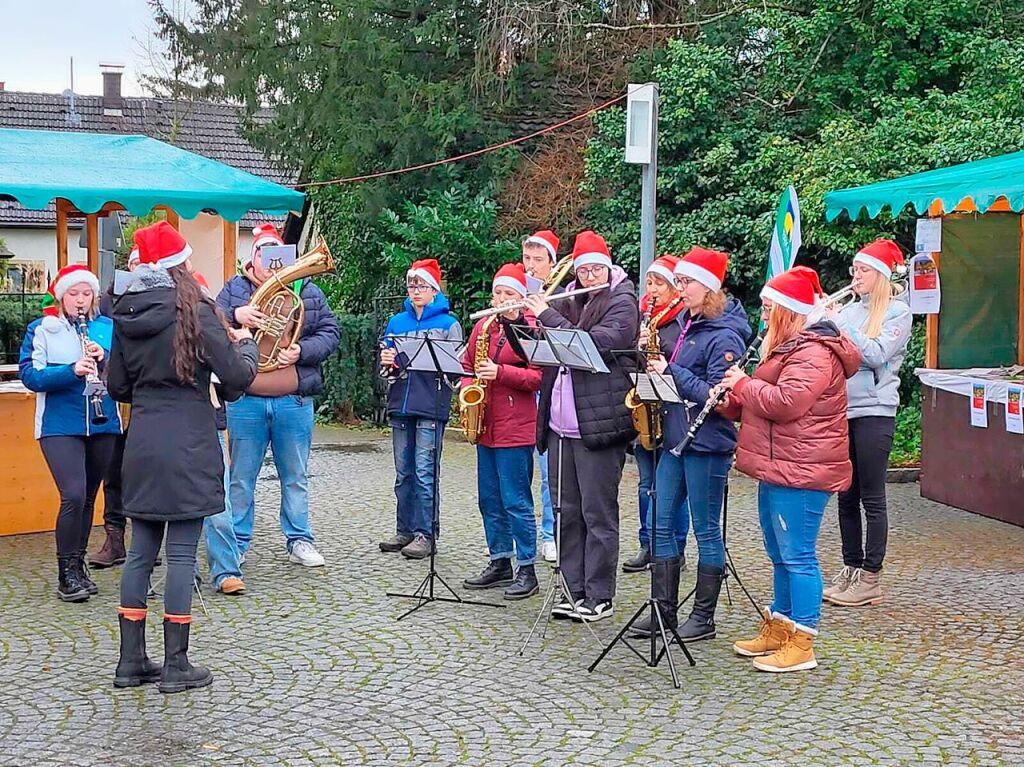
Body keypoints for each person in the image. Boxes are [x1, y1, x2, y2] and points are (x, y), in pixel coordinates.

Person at [108, 221, 257, 693]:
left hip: (143, 442)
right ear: (180, 264)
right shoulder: (197, 310)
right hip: (189, 441)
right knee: (180, 555)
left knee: (139, 556)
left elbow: (116, 386)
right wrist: (248, 348)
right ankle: (176, 665)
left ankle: (131, 662)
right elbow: (234, 378)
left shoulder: (126, 314)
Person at [719, 266, 860, 672]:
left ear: (788, 311)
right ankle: (780, 625)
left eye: (768, 309)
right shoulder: (791, 347)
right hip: (780, 465)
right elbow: (763, 403)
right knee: (779, 552)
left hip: (803, 469)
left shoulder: (815, 351)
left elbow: (787, 402)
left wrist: (744, 386)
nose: (762, 317)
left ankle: (803, 640)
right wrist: (732, 399)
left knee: (798, 555)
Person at [633, 248, 751, 642]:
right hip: (673, 439)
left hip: (707, 444)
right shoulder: (685, 325)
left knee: (706, 531)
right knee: (660, 523)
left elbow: (719, 398)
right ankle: (663, 612)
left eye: (686, 282)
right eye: (678, 282)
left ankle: (703, 618)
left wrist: (672, 371)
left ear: (710, 287)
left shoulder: (725, 335)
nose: (679, 289)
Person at [525, 230, 640, 622]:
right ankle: (573, 590)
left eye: (596, 270)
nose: (589, 277)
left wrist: (546, 314)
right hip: (561, 424)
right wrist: (521, 320)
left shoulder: (623, 301)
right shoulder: (572, 297)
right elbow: (544, 346)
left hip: (599, 424)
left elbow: (595, 344)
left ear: (608, 268)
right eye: (583, 270)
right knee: (566, 510)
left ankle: (599, 594)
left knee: (597, 512)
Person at [216, 223, 340, 568]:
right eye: (263, 253)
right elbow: (208, 325)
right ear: (252, 259)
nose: (270, 261)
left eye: (278, 253)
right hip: (246, 399)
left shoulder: (307, 291)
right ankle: (237, 542)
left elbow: (330, 333)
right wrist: (234, 315)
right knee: (241, 476)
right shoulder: (233, 291)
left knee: (296, 474)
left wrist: (301, 350)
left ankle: (299, 539)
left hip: (293, 399)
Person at [18, 265, 122, 602]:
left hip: (103, 421)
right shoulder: (42, 329)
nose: (80, 300)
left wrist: (103, 359)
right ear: (61, 296)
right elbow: (31, 376)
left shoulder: (107, 327)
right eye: (73, 293)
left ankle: (78, 567)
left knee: (90, 497)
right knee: (73, 495)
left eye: (86, 293)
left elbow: (124, 373)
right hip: (59, 424)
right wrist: (71, 370)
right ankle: (66, 571)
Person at [826, 240, 912, 607]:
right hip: (844, 409)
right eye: (854, 270)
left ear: (880, 274)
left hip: (875, 411)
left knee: (872, 497)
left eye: (862, 271)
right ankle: (851, 566)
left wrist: (840, 327)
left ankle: (871, 577)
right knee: (846, 494)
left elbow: (875, 354)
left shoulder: (899, 312)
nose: (855, 276)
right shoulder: (849, 311)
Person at [461, 264, 543, 599]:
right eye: (498, 293)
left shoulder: (533, 330)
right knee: (489, 499)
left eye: (509, 294)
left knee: (516, 501)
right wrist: (469, 390)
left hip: (517, 427)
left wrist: (501, 372)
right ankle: (499, 560)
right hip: (486, 425)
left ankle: (527, 567)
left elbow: (539, 377)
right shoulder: (483, 327)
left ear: (523, 299)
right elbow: (467, 365)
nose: (501, 299)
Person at [378, 259, 464, 559]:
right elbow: (385, 368)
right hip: (401, 403)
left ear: (434, 290)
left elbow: (456, 371)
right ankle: (404, 529)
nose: (416, 291)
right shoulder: (396, 322)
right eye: (412, 285)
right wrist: (388, 362)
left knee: (426, 472)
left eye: (422, 286)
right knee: (404, 473)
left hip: (430, 404)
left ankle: (426, 533)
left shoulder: (449, 324)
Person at [621, 254, 691, 575]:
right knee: (645, 483)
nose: (652, 289)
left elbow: (682, 360)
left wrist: (657, 347)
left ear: (675, 287)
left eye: (658, 283)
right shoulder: (643, 317)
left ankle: (674, 546)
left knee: (672, 488)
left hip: (672, 410)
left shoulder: (682, 319)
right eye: (649, 282)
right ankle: (647, 544)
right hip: (646, 408)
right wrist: (638, 346)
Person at [89, 247, 142, 569]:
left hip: (148, 398)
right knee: (114, 470)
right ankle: (114, 538)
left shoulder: (165, 299)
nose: (138, 269)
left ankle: (146, 541)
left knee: (146, 473)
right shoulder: (108, 303)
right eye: (134, 263)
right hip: (114, 394)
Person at [521, 230, 560, 563]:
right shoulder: (518, 295)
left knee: (550, 472)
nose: (531, 267)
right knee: (523, 472)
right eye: (527, 260)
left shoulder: (561, 295)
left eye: (538, 260)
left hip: (549, 389)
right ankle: (524, 537)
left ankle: (550, 533)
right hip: (520, 392)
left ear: (552, 263)